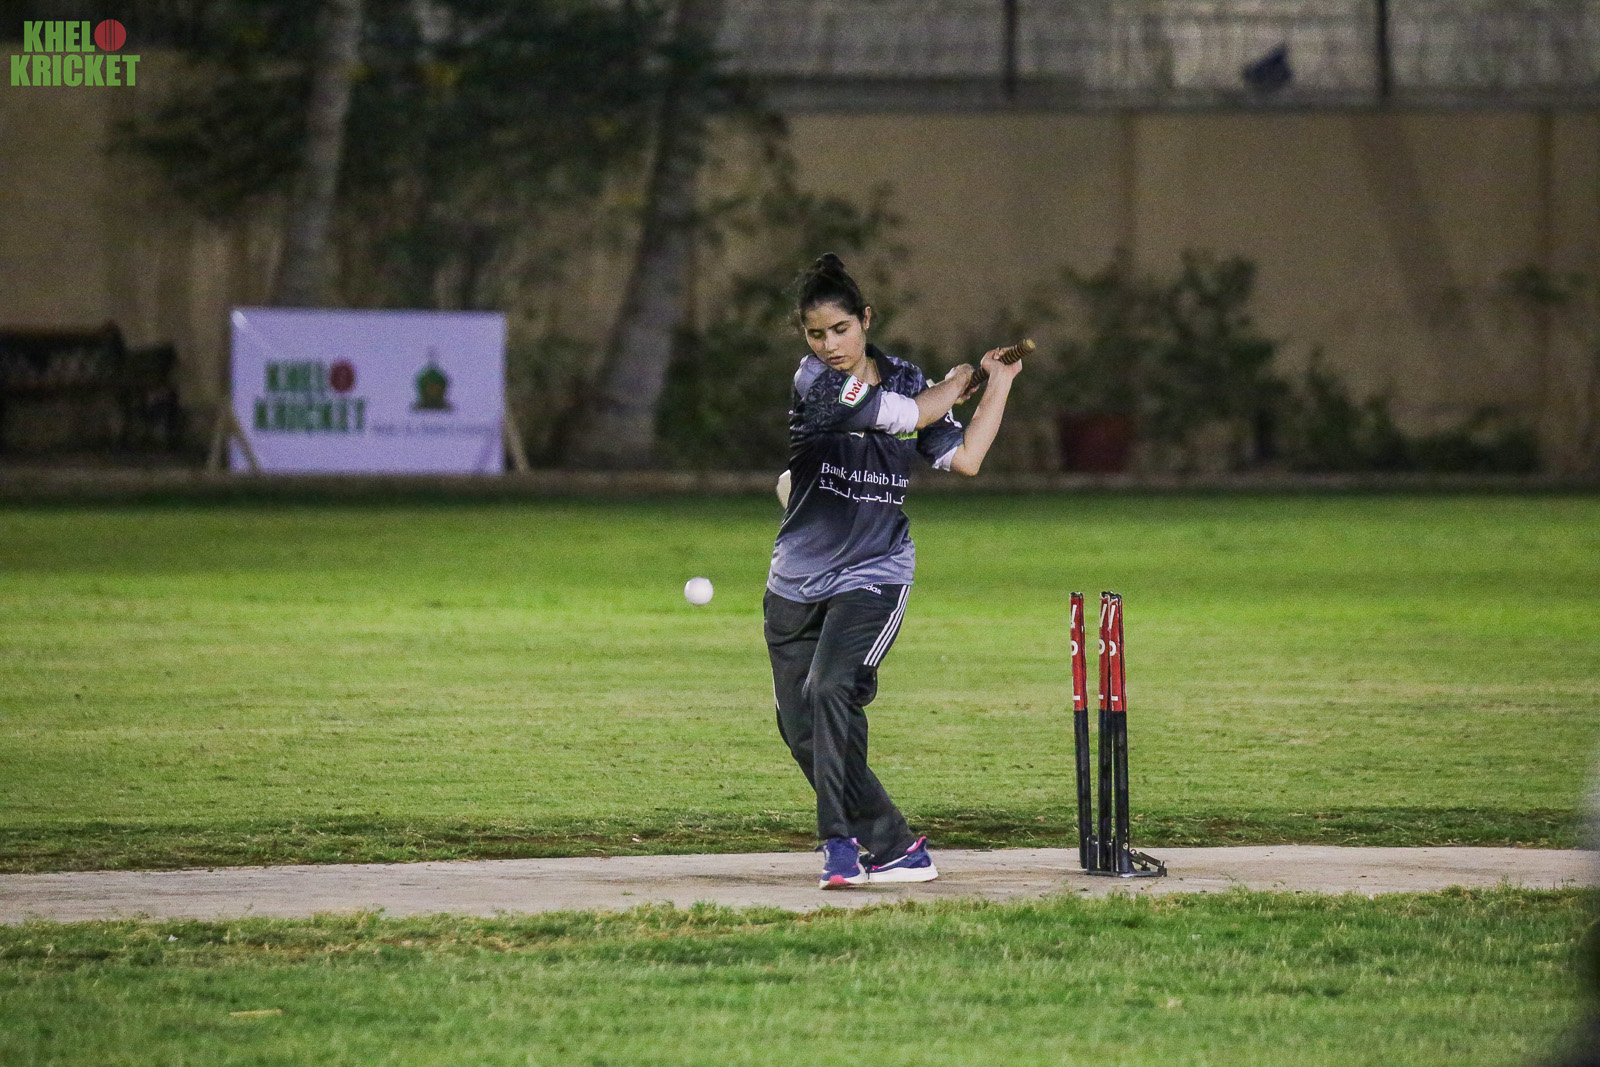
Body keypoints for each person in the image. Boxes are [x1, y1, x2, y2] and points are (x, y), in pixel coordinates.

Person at [763, 253, 1023, 889]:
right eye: (816, 334)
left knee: (831, 689)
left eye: (841, 330)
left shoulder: (905, 375)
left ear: (866, 320)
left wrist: (997, 382)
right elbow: (907, 415)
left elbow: (965, 458)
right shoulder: (815, 383)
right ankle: (897, 848)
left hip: (874, 571)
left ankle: (838, 846)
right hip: (794, 578)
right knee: (801, 729)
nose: (830, 345)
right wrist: (952, 383)